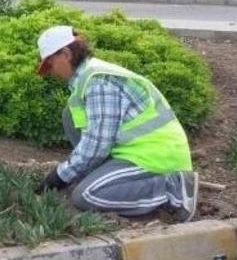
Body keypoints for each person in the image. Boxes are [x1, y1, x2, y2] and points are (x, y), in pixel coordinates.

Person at [34, 25, 198, 222]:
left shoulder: (98, 82)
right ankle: (101, 177)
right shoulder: (87, 77)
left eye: (50, 64)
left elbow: (97, 147)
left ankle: (172, 187)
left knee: (85, 196)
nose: (50, 72)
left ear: (66, 54)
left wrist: (58, 178)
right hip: (132, 152)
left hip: (155, 158)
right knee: (70, 115)